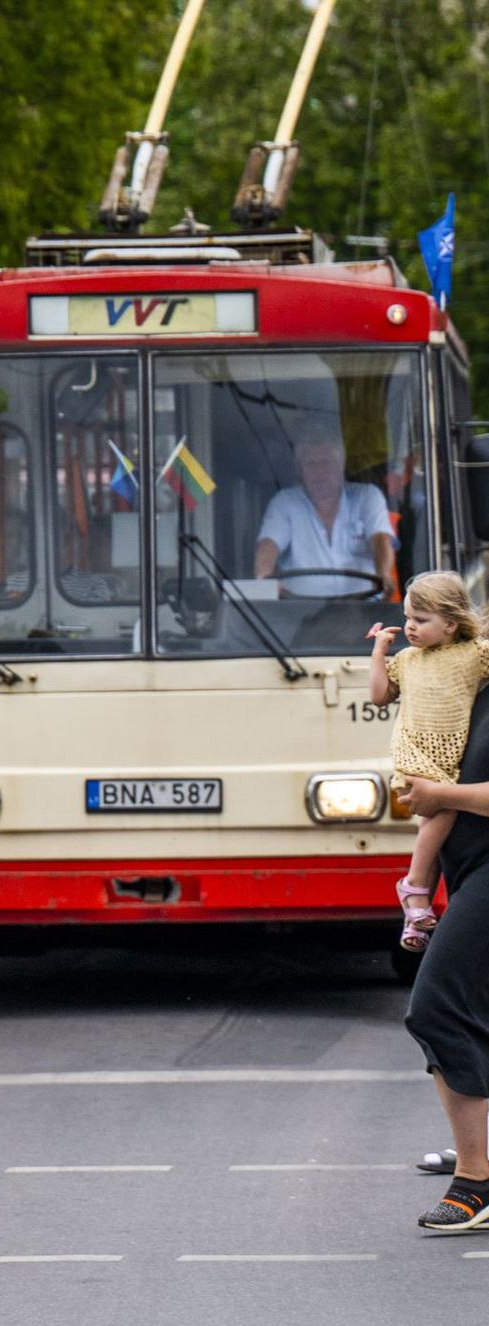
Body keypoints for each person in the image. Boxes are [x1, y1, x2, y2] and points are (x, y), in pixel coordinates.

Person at [397, 680, 489, 1230]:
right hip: (467, 869)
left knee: (436, 1009)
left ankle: (476, 1181)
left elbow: (447, 788)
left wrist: (442, 797)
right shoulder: (469, 683)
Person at [369, 572, 489, 951]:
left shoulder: (472, 654)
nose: (410, 628)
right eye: (407, 619)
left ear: (451, 624)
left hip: (451, 752)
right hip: (415, 750)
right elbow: (379, 695)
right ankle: (415, 887)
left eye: (421, 621)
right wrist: (378, 654)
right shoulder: (406, 660)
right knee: (443, 812)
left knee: (439, 824)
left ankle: (415, 922)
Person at [253, 429, 396, 598]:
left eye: (326, 463)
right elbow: (268, 544)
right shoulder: (285, 502)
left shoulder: (367, 496)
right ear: (299, 470)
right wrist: (263, 578)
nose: (319, 471)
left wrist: (384, 574)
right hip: (299, 614)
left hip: (363, 608)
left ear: (341, 465)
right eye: (311, 464)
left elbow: (380, 540)